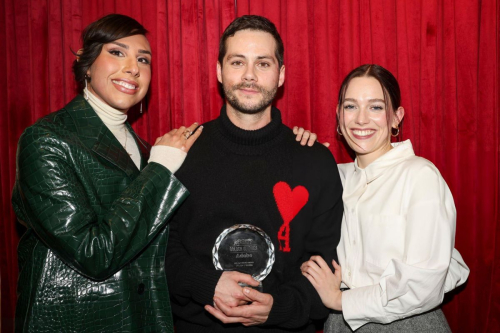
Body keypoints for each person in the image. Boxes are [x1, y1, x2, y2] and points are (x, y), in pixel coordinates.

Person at [11, 14, 202, 332]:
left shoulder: (144, 150)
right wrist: (159, 169)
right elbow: (93, 254)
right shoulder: (46, 139)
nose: (133, 67)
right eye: (117, 52)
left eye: (144, 59)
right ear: (86, 64)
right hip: (78, 320)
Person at [165, 15, 344, 332]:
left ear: (281, 74)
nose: (249, 76)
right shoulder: (181, 153)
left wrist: (280, 307)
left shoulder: (314, 161)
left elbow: (327, 263)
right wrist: (206, 284)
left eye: (263, 64)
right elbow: (160, 253)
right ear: (219, 71)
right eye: (237, 62)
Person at [300, 64, 469, 332]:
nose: (361, 119)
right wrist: (298, 149)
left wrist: (340, 299)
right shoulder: (334, 176)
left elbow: (423, 284)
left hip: (406, 323)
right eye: (351, 106)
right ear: (339, 116)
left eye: (376, 107)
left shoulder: (420, 175)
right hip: (339, 323)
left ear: (396, 118)